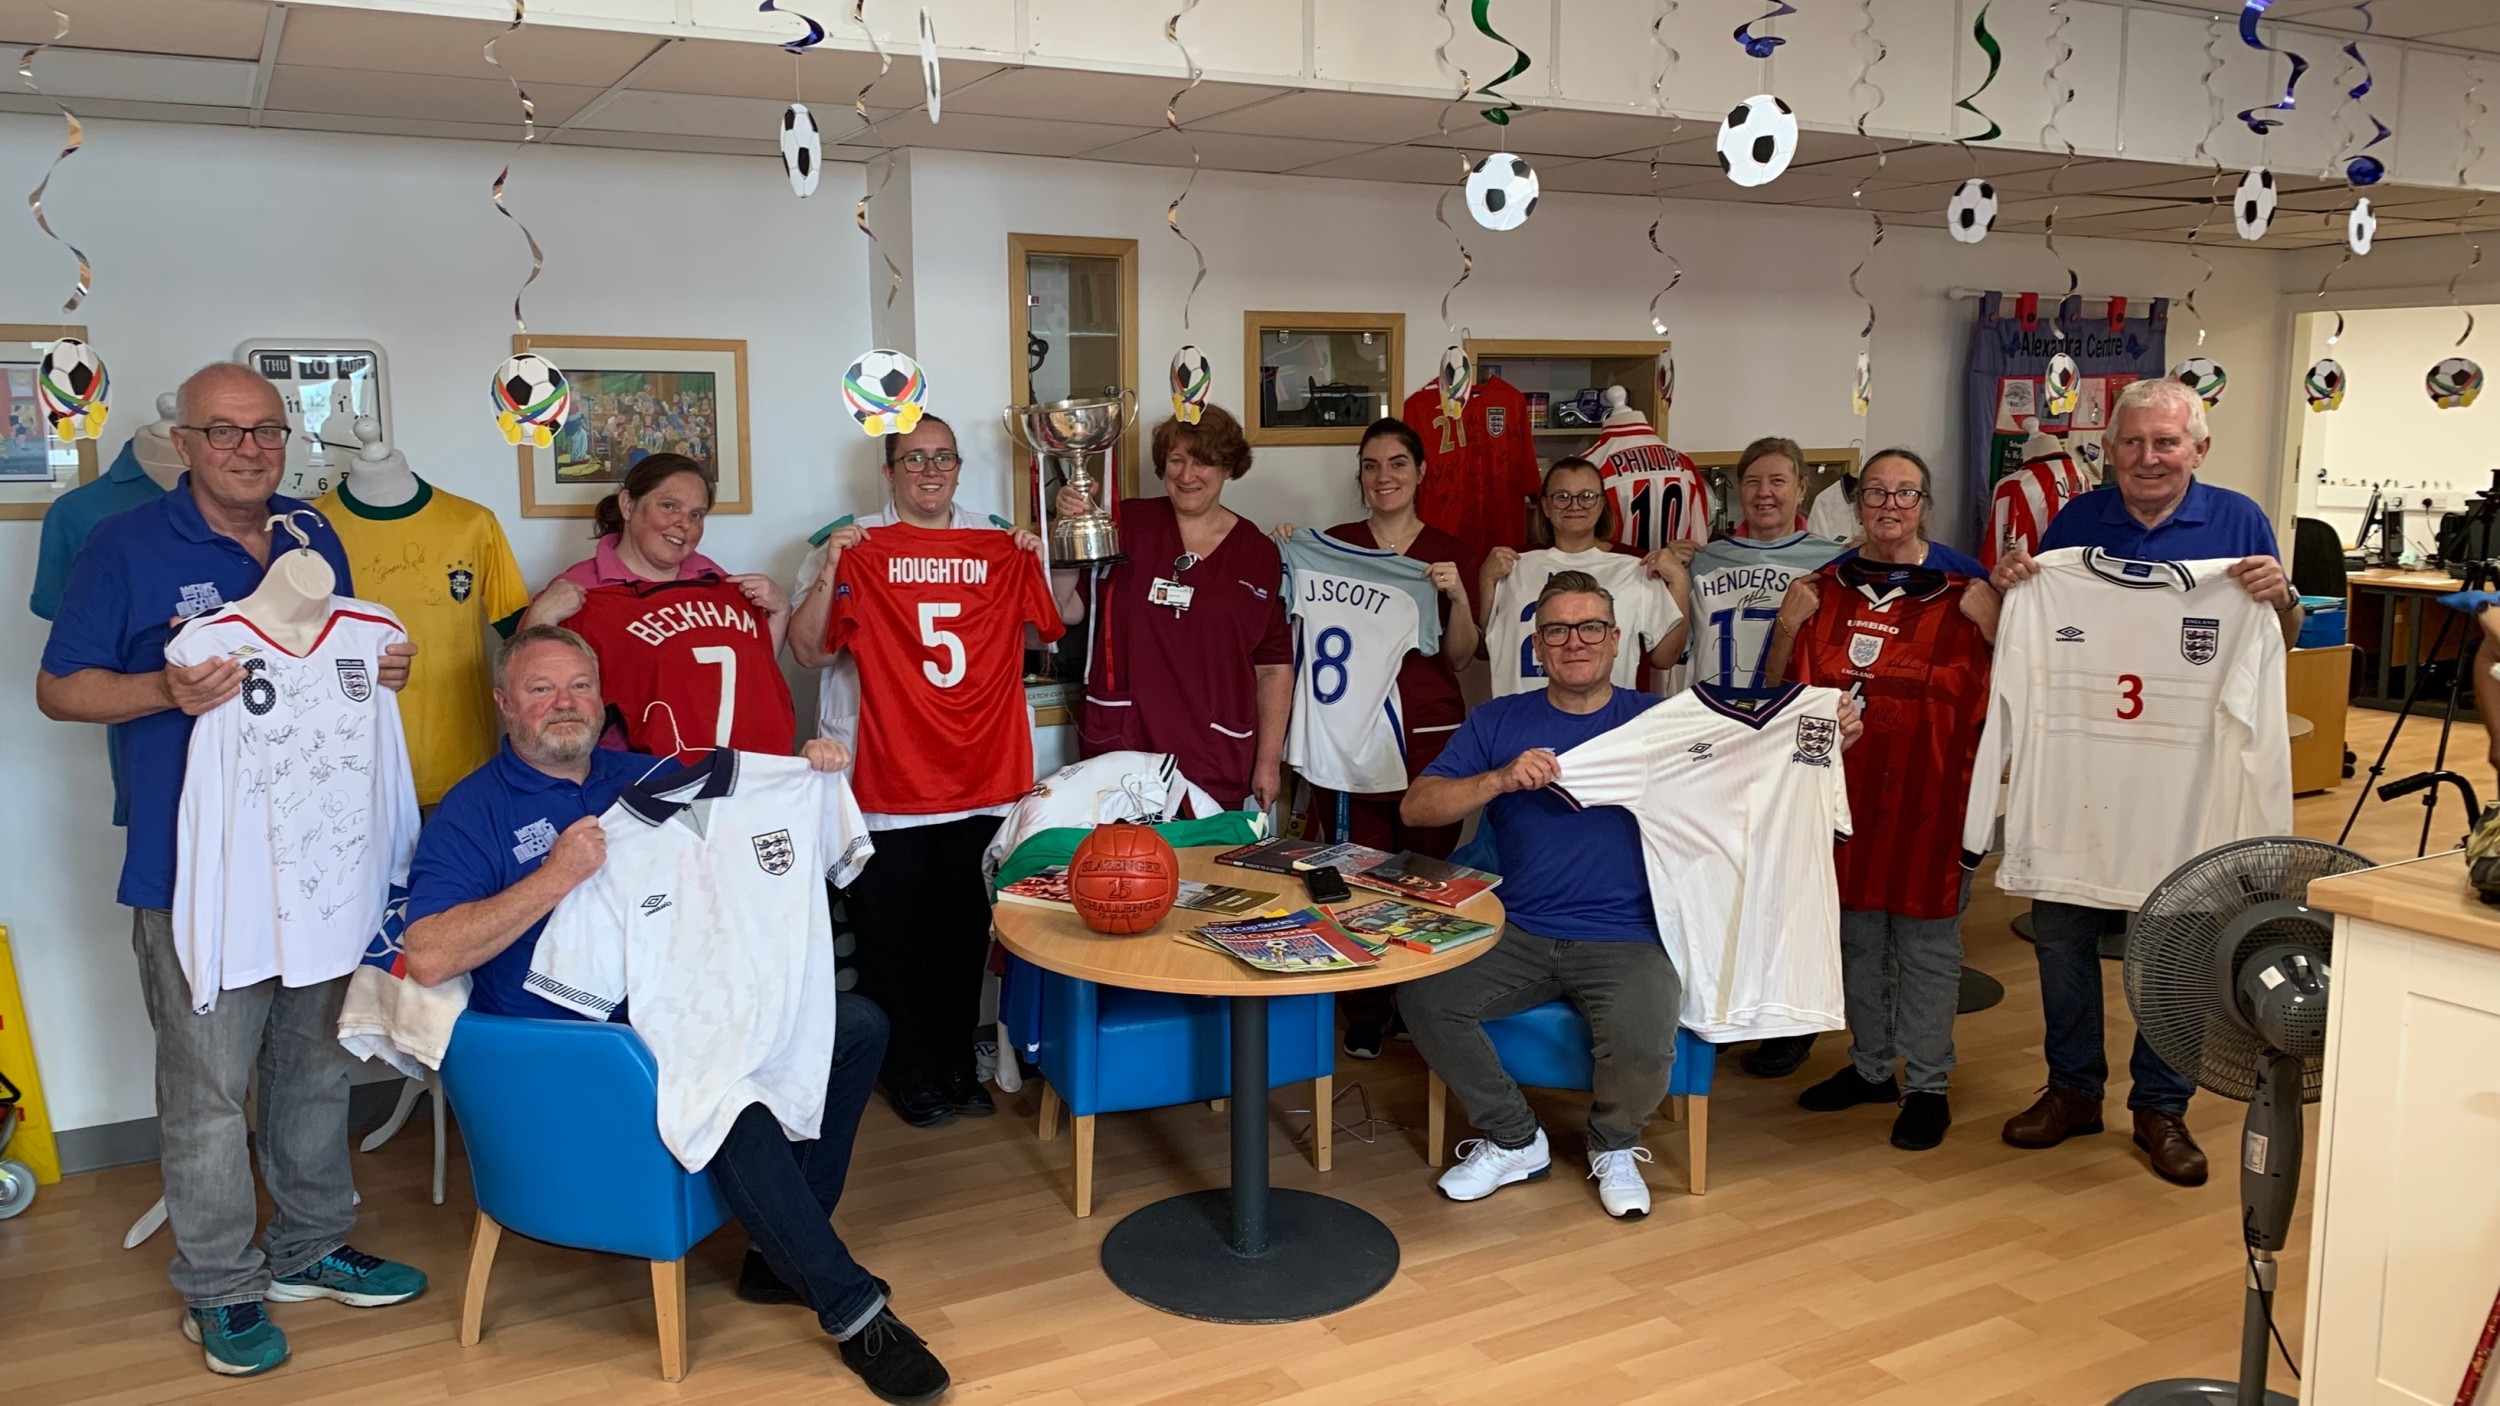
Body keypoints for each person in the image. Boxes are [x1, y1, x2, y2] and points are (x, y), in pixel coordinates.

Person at [398, 627, 949, 1404]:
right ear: (503, 705)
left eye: (579, 686)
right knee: (725, 1088)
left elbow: (746, 802)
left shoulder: (643, 774)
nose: (564, 704)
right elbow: (426, 955)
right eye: (540, 689)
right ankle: (854, 1310)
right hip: (570, 1055)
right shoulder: (473, 812)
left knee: (855, 1028)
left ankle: (776, 1254)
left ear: (601, 696)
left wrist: (812, 768)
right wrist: (555, 877)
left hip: (683, 1008)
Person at [34, 362, 424, 1378]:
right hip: (192, 870)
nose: (250, 450)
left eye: (267, 432)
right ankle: (218, 1285)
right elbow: (60, 690)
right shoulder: (124, 544)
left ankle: (309, 1244)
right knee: (207, 1087)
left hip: (316, 868)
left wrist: (384, 668)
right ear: (186, 442)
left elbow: (344, 652)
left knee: (314, 1066)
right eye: (226, 432)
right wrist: (165, 689)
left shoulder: (311, 530)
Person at [1989, 376, 2303, 1186]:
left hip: (2183, 780)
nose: (2149, 458)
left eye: (2166, 443)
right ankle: (2073, 1090)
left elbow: (2277, 642)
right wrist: (2017, 588)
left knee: (2180, 942)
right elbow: (2025, 628)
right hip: (2082, 779)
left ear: (2199, 449)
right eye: (2132, 443)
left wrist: (2284, 597)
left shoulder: (2239, 522)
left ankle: (2162, 1105)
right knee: (2061, 937)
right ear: (2109, 451)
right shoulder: (2075, 524)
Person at [789, 414, 1077, 1130]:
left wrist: (1051, 553)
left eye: (942, 456)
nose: (929, 469)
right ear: (887, 472)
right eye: (913, 458)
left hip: (978, 776)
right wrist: (833, 568)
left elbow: (1058, 619)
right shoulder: (850, 543)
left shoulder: (997, 540)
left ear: (957, 466)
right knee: (889, 938)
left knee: (962, 933)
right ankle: (906, 1069)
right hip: (882, 780)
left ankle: (953, 1060)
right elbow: (809, 651)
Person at [1395, 572, 1681, 1219]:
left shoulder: (1657, 722)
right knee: (1422, 993)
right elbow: (1417, 806)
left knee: (1643, 1036)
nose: (1573, 642)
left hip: (1626, 933)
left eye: (1589, 629)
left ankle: (1614, 1144)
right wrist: (1497, 779)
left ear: (1615, 641)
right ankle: (1514, 1137)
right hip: (1515, 928)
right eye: (1557, 629)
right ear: (1538, 644)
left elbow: (1746, 780)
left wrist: (1821, 741)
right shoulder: (1499, 719)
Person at [1765, 447, 2001, 1151]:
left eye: (1905, 493)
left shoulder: (1968, 589)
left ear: (1925, 503)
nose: (1890, 505)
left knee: (1928, 945)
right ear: (1857, 502)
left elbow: (2019, 693)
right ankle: (1870, 1068)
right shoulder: (1824, 587)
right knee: (1857, 938)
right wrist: (1785, 626)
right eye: (1876, 493)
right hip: (1844, 800)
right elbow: (1777, 695)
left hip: (1937, 799)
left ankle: (1928, 1082)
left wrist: (1997, 626)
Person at [1270, 419, 1487, 1059]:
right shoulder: (1330, 545)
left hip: (1428, 735)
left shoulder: (1450, 552)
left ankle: (1420, 1007)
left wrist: (1457, 598)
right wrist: (1288, 547)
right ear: (1359, 475)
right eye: (1371, 465)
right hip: (1349, 737)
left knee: (1421, 875)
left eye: (1397, 463)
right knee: (1356, 872)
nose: (1383, 476)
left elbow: (1463, 656)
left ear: (1421, 472)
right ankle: (1365, 1005)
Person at [1682, 436, 1847, 1079]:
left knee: (1787, 881)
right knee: (1719, 877)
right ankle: (1727, 1005)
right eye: (1753, 481)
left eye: (1779, 481)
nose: (1766, 493)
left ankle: (1790, 1020)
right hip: (1716, 734)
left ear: (1802, 487)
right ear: (1738, 488)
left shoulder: (1832, 561)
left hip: (1784, 740)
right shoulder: (1703, 561)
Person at [1057, 405, 1291, 810]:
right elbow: (1067, 609)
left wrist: (1268, 764)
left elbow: (1272, 667)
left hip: (1212, 754)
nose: (1186, 475)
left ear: (1229, 467)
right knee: (1124, 870)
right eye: (1176, 460)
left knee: (1203, 870)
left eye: (1203, 462)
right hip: (1124, 746)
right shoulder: (1124, 523)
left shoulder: (1258, 553)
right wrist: (1067, 528)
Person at [522, 453, 796, 756]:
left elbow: (749, 676)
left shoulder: (720, 583)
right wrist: (540, 618)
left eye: (696, 515)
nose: (684, 524)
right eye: (669, 506)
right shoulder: (580, 593)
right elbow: (526, 689)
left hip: (743, 778)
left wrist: (780, 612)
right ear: (627, 505)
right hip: (642, 780)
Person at [1480, 457, 1691, 686]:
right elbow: (1484, 647)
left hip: (1605, 717)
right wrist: (1486, 581)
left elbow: (1664, 657)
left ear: (1601, 504)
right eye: (1562, 497)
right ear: (1546, 506)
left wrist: (1680, 582)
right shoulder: (1511, 565)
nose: (1574, 505)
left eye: (1587, 496)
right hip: (1526, 714)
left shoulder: (1636, 566)